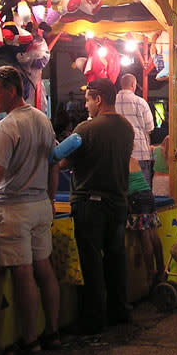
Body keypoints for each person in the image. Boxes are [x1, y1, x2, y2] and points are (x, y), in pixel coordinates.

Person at [0, 66, 60, 355]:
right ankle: (52, 332)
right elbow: (54, 162)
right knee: (44, 268)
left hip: (15, 206)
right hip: (40, 204)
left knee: (23, 273)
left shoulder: (6, 127)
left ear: (12, 90)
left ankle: (29, 340)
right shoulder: (42, 120)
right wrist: (50, 199)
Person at [60, 78, 134, 333]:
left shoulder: (86, 129)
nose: (87, 105)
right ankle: (120, 310)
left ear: (99, 99)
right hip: (118, 201)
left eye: (88, 100)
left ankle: (93, 319)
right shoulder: (127, 127)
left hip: (90, 203)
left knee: (91, 261)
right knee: (116, 256)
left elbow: (61, 161)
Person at [126, 157, 165, 290]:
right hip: (148, 195)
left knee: (144, 236)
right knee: (153, 233)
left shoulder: (118, 160)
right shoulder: (133, 160)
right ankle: (161, 271)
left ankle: (150, 274)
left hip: (135, 198)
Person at [116, 73, 155, 187]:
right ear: (133, 85)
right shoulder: (140, 102)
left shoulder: (112, 102)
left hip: (118, 154)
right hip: (140, 153)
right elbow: (150, 127)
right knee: (142, 191)